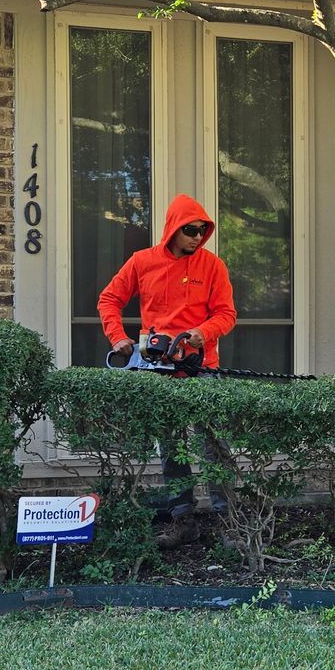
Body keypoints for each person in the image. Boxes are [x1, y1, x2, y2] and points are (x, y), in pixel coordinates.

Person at [97, 193, 237, 524]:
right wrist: (119, 339)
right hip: (158, 369)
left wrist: (202, 333)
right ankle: (182, 519)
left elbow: (226, 314)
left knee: (215, 446)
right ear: (173, 228)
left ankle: (229, 522)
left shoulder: (212, 266)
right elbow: (109, 299)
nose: (198, 236)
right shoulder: (142, 261)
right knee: (171, 449)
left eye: (203, 230)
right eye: (191, 229)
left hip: (202, 369)